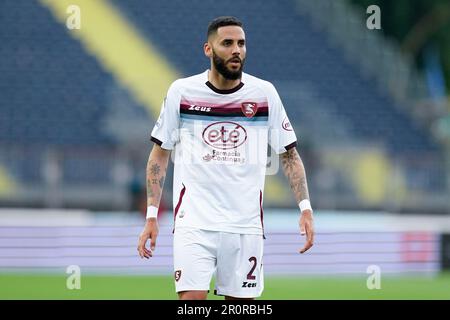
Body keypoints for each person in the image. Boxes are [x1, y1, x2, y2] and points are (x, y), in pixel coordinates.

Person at [137, 16, 314, 300]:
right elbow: (159, 155)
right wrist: (151, 216)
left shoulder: (264, 94)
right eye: (228, 43)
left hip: (245, 226)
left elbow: (289, 155)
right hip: (194, 223)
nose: (237, 50)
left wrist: (305, 207)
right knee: (192, 302)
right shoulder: (181, 92)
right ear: (208, 49)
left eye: (241, 44)